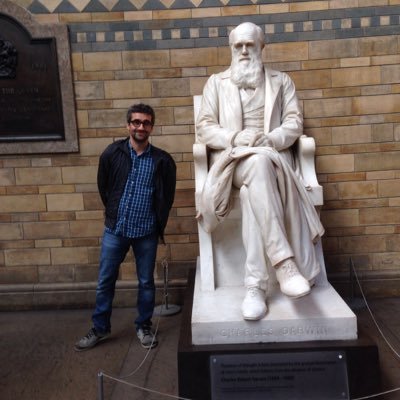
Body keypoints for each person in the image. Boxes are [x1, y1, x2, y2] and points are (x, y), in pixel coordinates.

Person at [196, 22, 324, 321]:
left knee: (258, 178)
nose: (243, 50)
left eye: (249, 45)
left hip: (271, 161)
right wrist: (232, 138)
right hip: (233, 162)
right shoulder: (216, 83)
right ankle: (285, 266)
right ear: (231, 48)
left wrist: (272, 139)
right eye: (238, 45)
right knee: (255, 165)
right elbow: (203, 127)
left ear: (261, 47)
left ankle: (255, 286)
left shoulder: (282, 82)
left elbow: (293, 122)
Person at [75, 103, 176, 351]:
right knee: (105, 281)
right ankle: (100, 328)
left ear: (152, 126)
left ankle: (143, 326)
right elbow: (104, 187)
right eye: (136, 122)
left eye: (146, 122)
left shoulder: (162, 160)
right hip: (116, 230)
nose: (141, 126)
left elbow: (167, 196)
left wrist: (157, 224)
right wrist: (113, 212)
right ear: (128, 125)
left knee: (146, 282)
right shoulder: (112, 153)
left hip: (146, 232)